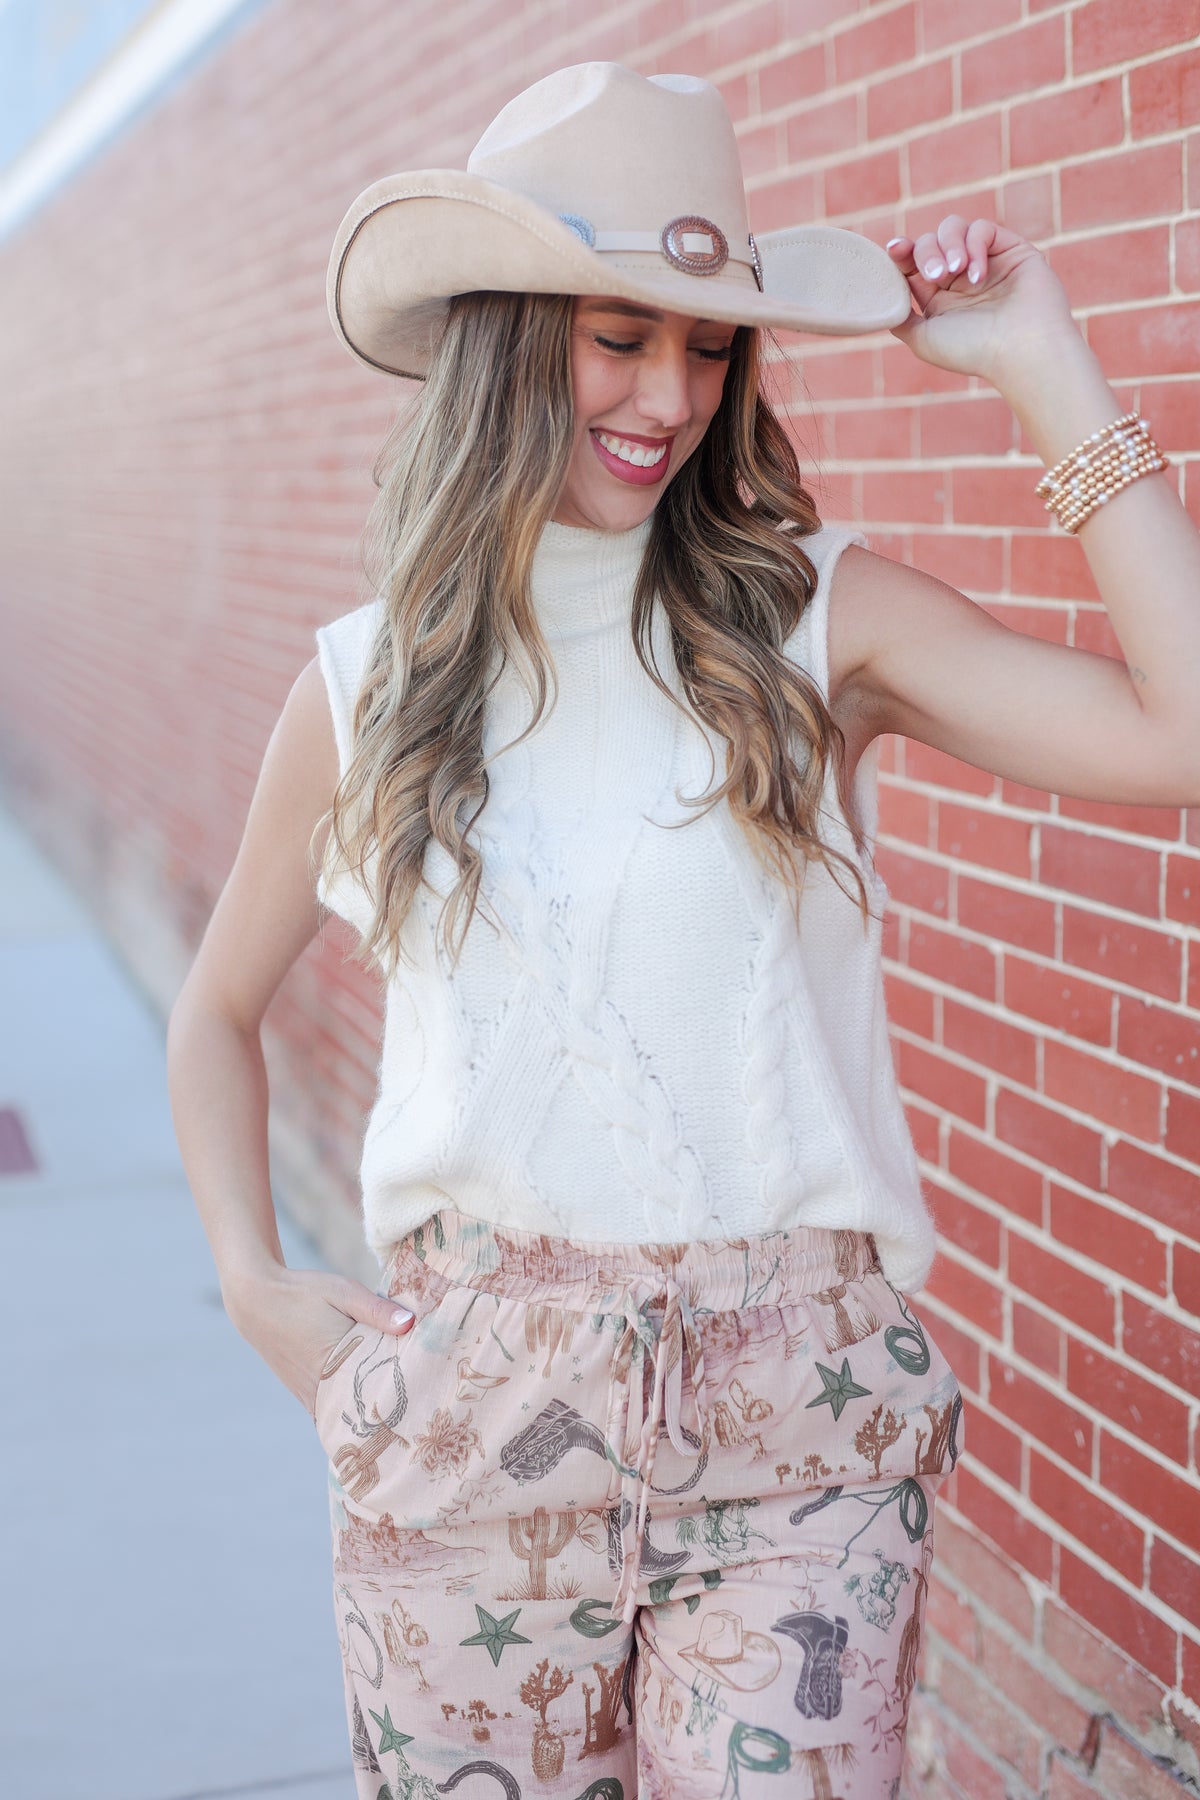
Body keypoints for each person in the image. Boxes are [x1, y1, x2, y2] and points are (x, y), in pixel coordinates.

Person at [166, 61, 1200, 1800]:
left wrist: (1043, 363)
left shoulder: (810, 622)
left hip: (799, 1428)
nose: (669, 395)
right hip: (474, 1419)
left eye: (709, 344)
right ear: (505, 339)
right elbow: (218, 1009)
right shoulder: (367, 689)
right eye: (616, 336)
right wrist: (251, 1280)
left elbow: (1180, 736)